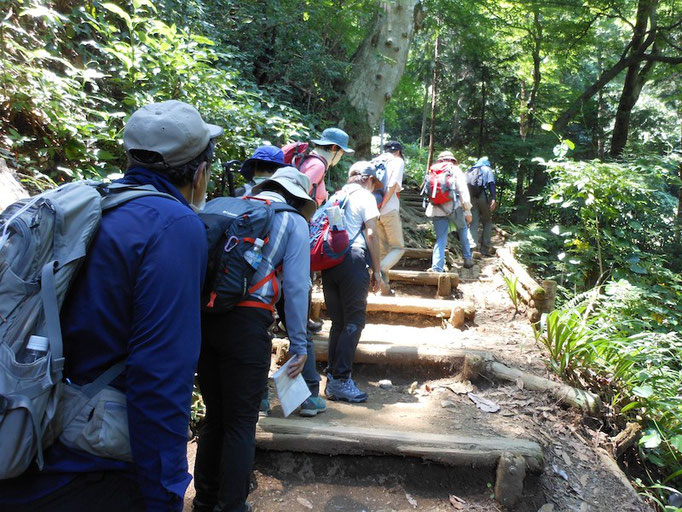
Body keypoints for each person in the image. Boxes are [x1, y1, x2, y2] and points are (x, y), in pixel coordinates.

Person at [0, 100, 223, 511]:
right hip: (95, 462)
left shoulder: (88, 203)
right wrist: (165, 491)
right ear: (199, 171)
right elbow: (159, 372)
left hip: (28, 428)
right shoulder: (174, 226)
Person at [193, 167, 316, 512]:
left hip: (205, 319)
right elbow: (294, 287)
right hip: (247, 325)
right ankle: (231, 506)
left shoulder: (226, 206)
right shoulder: (293, 221)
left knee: (215, 417)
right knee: (241, 422)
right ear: (297, 197)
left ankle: (203, 501)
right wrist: (300, 343)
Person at [322, 163, 383, 403]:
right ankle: (341, 378)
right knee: (354, 322)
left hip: (331, 262)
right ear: (368, 180)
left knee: (338, 323)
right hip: (353, 259)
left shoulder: (335, 196)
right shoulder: (366, 197)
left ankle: (332, 380)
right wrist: (377, 271)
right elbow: (371, 233)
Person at [425, 151, 474, 271]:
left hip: (436, 208)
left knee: (441, 238)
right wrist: (467, 211)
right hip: (453, 207)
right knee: (462, 229)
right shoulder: (455, 170)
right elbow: (462, 190)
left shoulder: (432, 170)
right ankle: (467, 258)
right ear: (452, 160)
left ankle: (437, 268)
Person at [373, 141, 406, 295]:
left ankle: (383, 289)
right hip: (388, 209)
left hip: (372, 211)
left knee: (382, 250)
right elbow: (393, 185)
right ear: (398, 151)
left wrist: (375, 208)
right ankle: (380, 269)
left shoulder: (375, 161)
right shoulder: (397, 161)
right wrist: (383, 205)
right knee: (398, 247)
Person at [299, 127, 354, 206]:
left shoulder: (312, 160)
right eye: (342, 152)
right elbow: (298, 195)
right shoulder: (318, 166)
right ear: (334, 147)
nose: (341, 156)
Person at [467, 157, 498, 255]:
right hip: (483, 197)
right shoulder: (487, 169)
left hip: (472, 198)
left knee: (473, 222)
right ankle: (485, 248)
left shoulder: (470, 170)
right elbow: (491, 184)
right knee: (487, 221)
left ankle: (473, 248)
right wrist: (493, 198)